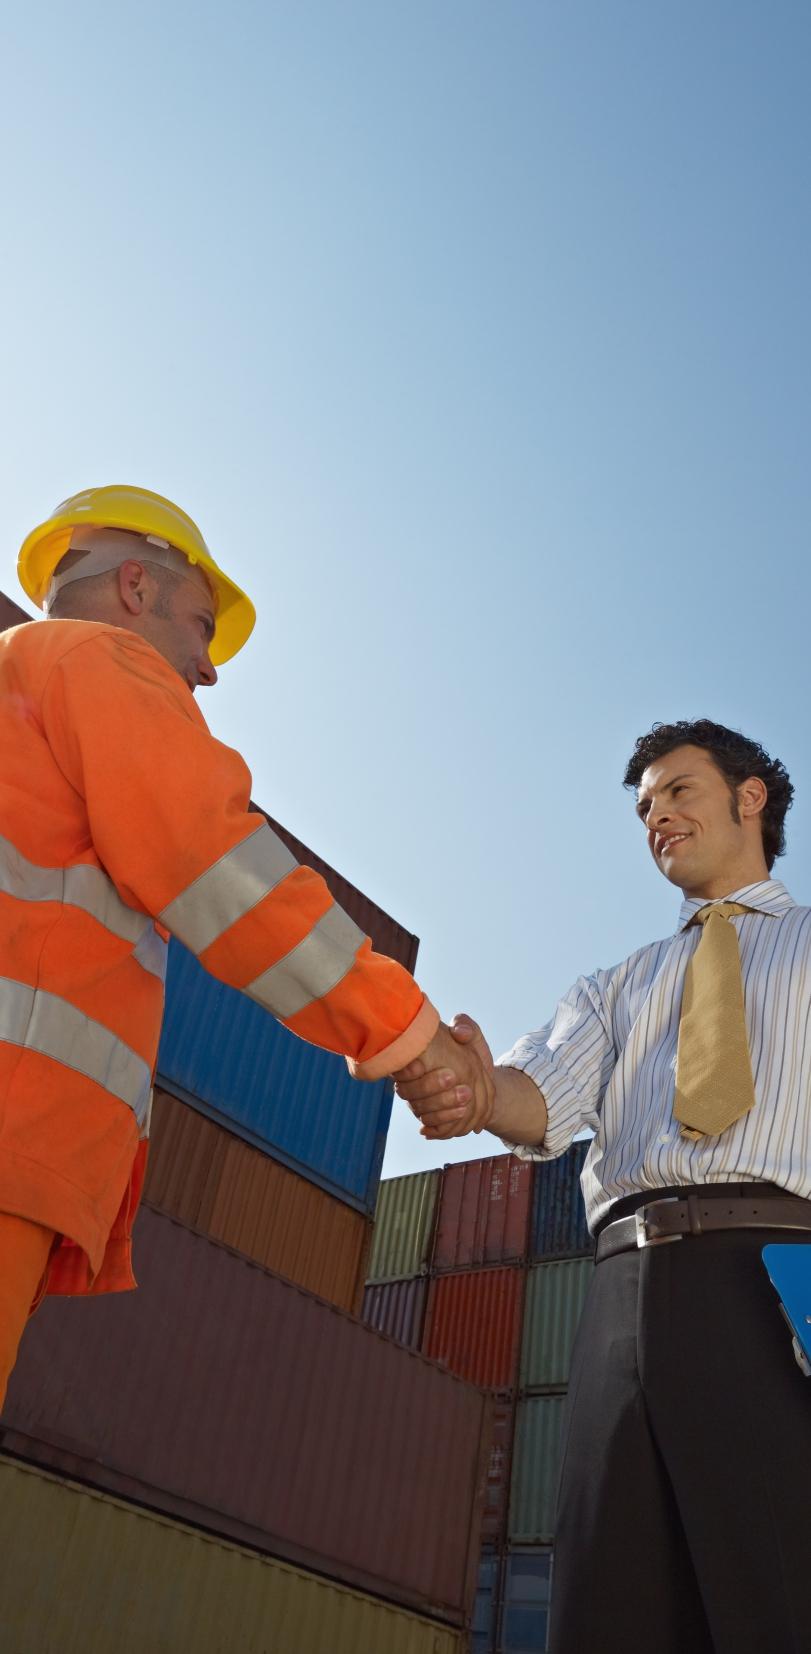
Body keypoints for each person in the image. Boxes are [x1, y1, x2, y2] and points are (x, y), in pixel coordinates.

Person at [0, 482, 492, 1407]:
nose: (209, 667)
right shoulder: (96, 661)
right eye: (199, 623)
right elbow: (218, 871)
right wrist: (408, 1036)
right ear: (137, 588)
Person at [396, 719, 811, 1654]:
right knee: (610, 1607)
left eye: (677, 791)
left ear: (751, 798)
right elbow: (532, 1099)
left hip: (783, 1273)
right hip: (621, 1295)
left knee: (781, 1594)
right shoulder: (615, 986)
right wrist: (462, 1082)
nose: (655, 817)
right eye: (643, 807)